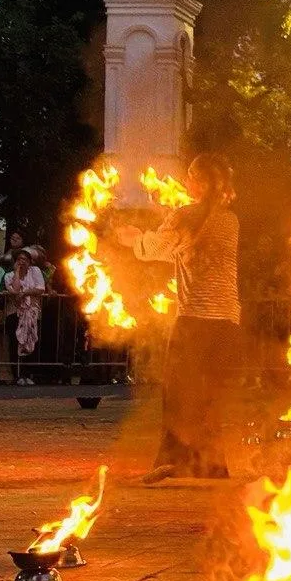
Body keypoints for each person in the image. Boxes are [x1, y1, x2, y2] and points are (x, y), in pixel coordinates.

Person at [118, 154, 241, 482]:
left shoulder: (185, 216)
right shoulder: (230, 220)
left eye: (189, 176)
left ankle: (174, 461)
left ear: (199, 182)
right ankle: (211, 466)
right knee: (209, 396)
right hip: (227, 322)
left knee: (178, 393)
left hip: (195, 320)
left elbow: (156, 248)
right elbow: (183, 249)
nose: (185, 181)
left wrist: (133, 239)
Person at [3, 249, 45, 385]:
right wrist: (17, 273)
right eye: (19, 259)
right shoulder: (8, 276)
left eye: (25, 259)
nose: (22, 262)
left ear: (30, 262)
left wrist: (26, 292)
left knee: (30, 341)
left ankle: (28, 374)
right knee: (15, 343)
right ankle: (17, 375)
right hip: (15, 313)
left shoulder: (35, 271)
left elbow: (40, 288)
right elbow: (15, 291)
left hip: (31, 313)